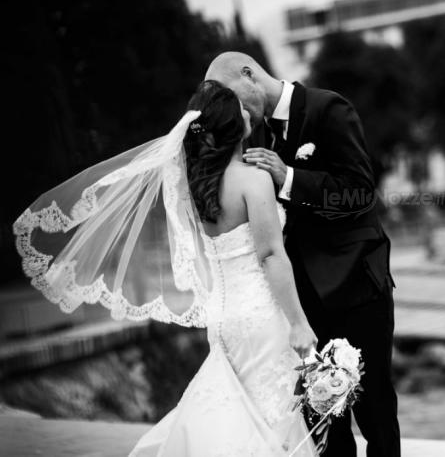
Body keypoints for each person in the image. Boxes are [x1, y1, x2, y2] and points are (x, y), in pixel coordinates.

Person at [13, 79, 318, 456]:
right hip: (260, 314)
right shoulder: (254, 181)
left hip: (224, 316)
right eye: (239, 108)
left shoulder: (198, 186)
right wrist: (300, 322)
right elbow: (271, 255)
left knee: (241, 412)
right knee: (271, 419)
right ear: (233, 127)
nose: (246, 111)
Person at [206, 52, 401, 457]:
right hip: (301, 303)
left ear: (250, 75)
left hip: (356, 289)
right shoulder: (250, 133)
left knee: (375, 410)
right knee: (322, 418)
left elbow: (360, 193)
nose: (235, 112)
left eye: (235, 100)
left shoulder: (328, 108)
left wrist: (288, 176)